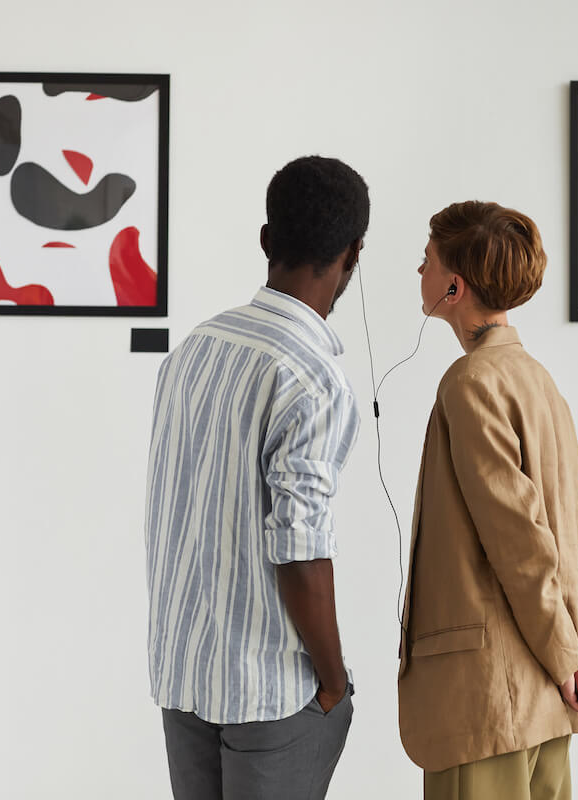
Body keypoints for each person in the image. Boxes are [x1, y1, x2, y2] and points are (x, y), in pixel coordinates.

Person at [144, 155, 368, 800]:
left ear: (267, 239)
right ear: (353, 255)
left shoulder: (195, 348)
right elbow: (300, 550)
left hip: (184, 674)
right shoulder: (312, 376)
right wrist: (332, 680)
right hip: (271, 689)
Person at [398, 201, 578, 800]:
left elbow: (518, 541)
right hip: (546, 695)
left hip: (488, 701)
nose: (418, 273)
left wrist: (572, 656)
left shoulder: (471, 383)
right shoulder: (538, 380)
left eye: (425, 262)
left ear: (454, 286)